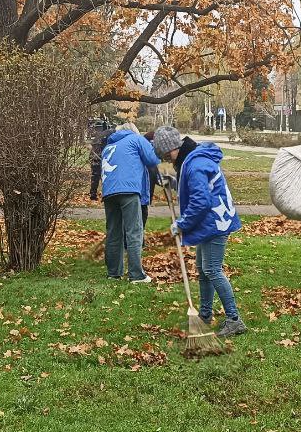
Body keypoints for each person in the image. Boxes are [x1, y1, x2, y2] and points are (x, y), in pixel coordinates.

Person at [152, 125, 247, 337]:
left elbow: (200, 201)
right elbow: (196, 187)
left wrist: (182, 224)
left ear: (173, 149)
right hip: (210, 222)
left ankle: (234, 319)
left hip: (215, 222)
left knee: (212, 269)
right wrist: (173, 183)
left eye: (167, 156)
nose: (169, 161)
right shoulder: (191, 160)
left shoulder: (195, 165)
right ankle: (204, 314)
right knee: (204, 270)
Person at [100, 124, 161, 282]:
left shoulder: (109, 146)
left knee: (113, 232)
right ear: (134, 131)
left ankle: (113, 273)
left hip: (109, 192)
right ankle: (136, 274)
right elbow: (152, 159)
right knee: (134, 231)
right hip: (128, 190)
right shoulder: (136, 139)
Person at [88, 119, 109, 201]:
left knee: (95, 177)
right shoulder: (102, 135)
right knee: (103, 178)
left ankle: (93, 194)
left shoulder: (93, 135)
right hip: (100, 158)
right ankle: (105, 195)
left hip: (94, 158)